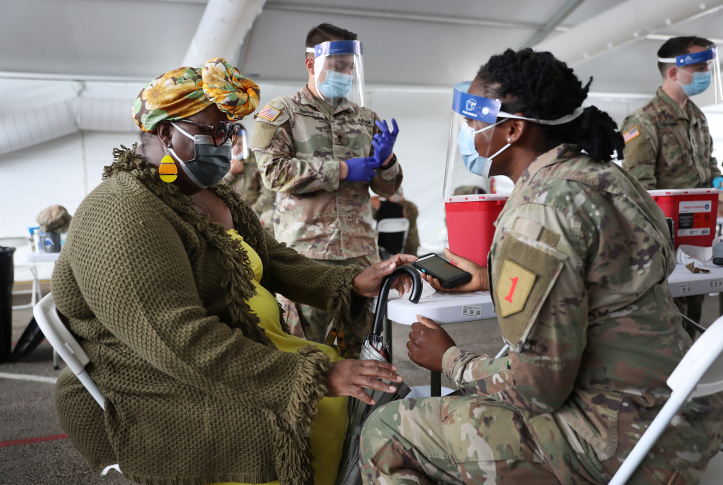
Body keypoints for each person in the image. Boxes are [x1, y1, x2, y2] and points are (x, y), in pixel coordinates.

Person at [360, 48, 723, 484]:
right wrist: (490, 278)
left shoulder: (537, 213)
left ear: (512, 130)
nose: (470, 135)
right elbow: (598, 288)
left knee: (386, 428)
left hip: (613, 443)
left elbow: (537, 390)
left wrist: (448, 357)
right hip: (676, 424)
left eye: (475, 124)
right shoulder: (609, 178)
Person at [51, 58, 414, 485]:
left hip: (245, 346)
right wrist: (313, 377)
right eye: (212, 130)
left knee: (368, 393)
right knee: (332, 405)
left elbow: (272, 259)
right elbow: (177, 339)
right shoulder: (120, 212)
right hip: (161, 380)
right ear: (166, 132)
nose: (224, 143)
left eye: (229, 131)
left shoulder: (201, 192)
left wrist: (349, 280)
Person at [252, 23, 403, 344]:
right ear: (312, 64)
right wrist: (344, 170)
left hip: (360, 250)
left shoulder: (365, 117)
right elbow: (274, 173)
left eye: (350, 67)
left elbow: (387, 190)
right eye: (339, 67)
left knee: (364, 346)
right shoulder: (282, 112)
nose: (346, 74)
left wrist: (387, 162)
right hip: (307, 254)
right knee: (309, 348)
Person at [621, 36, 721, 328]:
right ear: (675, 73)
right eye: (700, 67)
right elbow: (640, 190)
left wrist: (717, 179)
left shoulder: (696, 117)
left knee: (696, 307)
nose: (706, 74)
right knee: (670, 315)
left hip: (699, 230)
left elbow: (708, 162)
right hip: (665, 236)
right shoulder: (643, 121)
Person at [223, 125, 276, 233]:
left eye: (240, 144)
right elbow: (214, 189)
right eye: (233, 144)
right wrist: (230, 173)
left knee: (271, 220)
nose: (237, 148)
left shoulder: (257, 159)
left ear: (246, 141)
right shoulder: (219, 160)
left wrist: (252, 212)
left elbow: (268, 192)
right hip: (229, 212)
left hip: (257, 210)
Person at [371, 188, 419, 256]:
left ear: (401, 195)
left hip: (408, 242)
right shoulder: (387, 206)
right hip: (390, 243)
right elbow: (375, 217)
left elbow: (410, 222)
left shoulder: (409, 206)